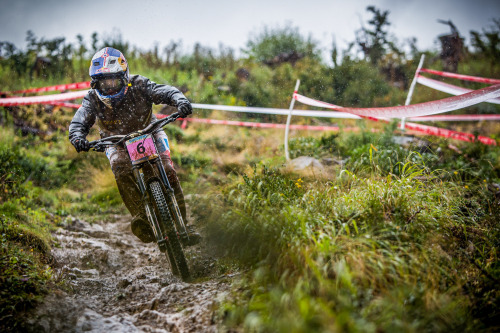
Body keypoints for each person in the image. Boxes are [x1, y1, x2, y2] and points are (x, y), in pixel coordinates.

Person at [69, 47, 199, 245]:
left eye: (114, 81)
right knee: (120, 168)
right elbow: (79, 120)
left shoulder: (140, 84)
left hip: (150, 130)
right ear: (96, 83)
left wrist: (179, 99)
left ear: (125, 76)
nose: (110, 87)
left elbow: (163, 91)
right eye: (105, 82)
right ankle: (139, 215)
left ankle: (184, 226)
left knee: (167, 169)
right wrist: (78, 137)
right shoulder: (92, 98)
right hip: (115, 140)